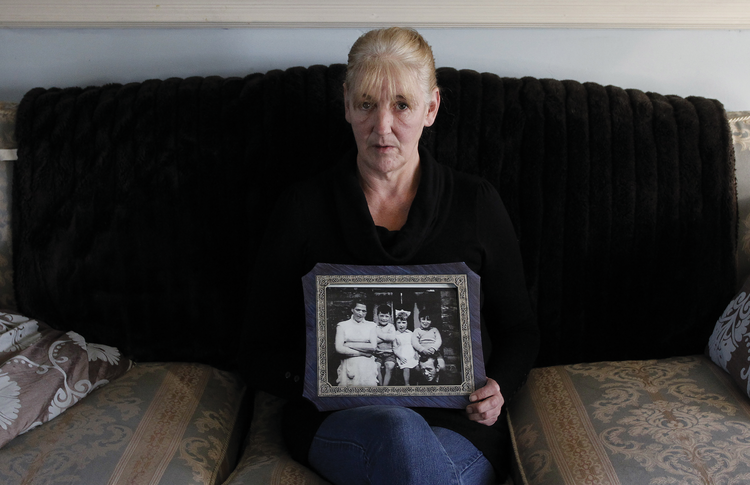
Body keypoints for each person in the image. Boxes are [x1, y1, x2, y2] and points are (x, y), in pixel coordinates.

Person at [241, 26, 539, 484]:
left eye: (401, 104)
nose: (383, 126)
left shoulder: (475, 203)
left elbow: (519, 329)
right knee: (398, 428)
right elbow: (256, 344)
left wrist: (498, 387)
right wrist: (315, 376)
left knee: (416, 454)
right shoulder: (303, 208)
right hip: (340, 421)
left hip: (459, 428)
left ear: (431, 108)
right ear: (346, 104)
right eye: (366, 104)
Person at [335, 301, 378, 387]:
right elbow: (339, 348)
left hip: (367, 364)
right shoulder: (342, 325)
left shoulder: (372, 326)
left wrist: (348, 344)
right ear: (352, 310)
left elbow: (373, 347)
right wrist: (362, 353)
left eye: (363, 311)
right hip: (349, 363)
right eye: (358, 310)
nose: (360, 313)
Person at [373, 305, 397, 386]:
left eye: (386, 316)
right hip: (377, 354)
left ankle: (384, 386)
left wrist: (379, 335)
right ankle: (380, 386)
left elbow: (392, 337)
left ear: (390, 317)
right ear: (377, 316)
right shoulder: (374, 326)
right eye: (381, 316)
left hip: (389, 354)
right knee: (376, 367)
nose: (384, 318)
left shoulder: (391, 327)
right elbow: (373, 340)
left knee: (389, 366)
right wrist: (386, 337)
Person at [393, 309, 418, 384]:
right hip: (402, 354)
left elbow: (414, 343)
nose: (401, 325)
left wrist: (416, 352)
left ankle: (418, 383)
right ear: (395, 324)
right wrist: (400, 357)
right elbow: (394, 348)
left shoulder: (410, 333)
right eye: (399, 323)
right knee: (406, 366)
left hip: (411, 352)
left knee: (417, 366)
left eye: (403, 322)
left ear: (407, 323)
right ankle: (407, 383)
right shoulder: (395, 334)